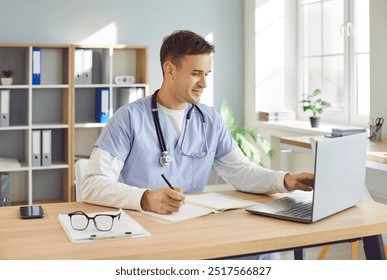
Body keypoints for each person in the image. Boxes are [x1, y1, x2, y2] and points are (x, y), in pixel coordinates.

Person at [81, 30, 314, 258]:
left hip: (195, 228)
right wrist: (146, 198)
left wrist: (285, 180)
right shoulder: (129, 118)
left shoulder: (209, 119)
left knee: (264, 254)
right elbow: (92, 184)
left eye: (207, 74)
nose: (203, 83)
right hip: (144, 231)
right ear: (170, 69)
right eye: (196, 73)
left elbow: (241, 171)